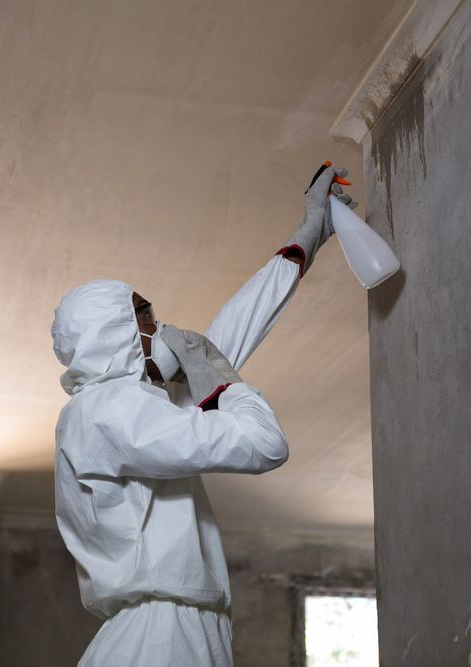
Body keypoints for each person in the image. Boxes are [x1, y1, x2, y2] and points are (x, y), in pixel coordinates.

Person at [50, 163, 353, 666]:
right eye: (145, 313)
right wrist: (219, 379)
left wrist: (307, 237)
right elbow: (263, 441)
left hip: (169, 627)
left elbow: (226, 339)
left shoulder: (124, 409)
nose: (160, 323)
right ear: (115, 333)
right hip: (162, 636)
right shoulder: (109, 409)